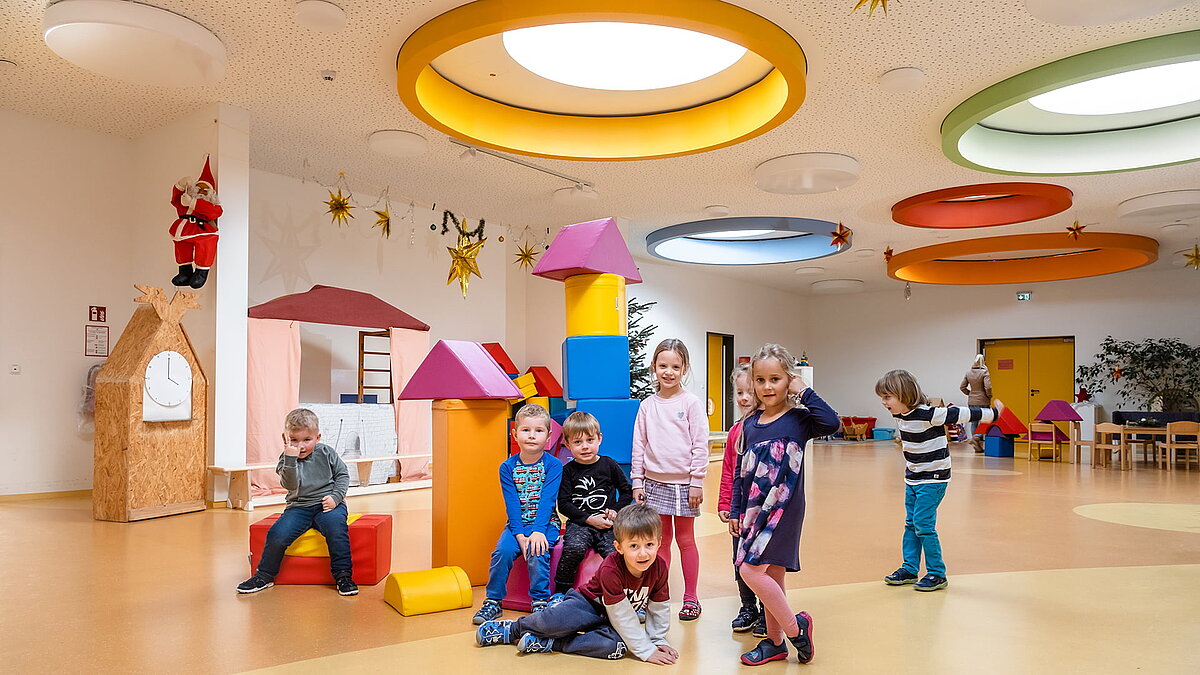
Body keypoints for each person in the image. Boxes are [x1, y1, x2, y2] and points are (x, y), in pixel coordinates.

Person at [728, 344, 839, 666]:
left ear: (788, 380)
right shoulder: (750, 423)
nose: (767, 387)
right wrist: (736, 509)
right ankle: (775, 643)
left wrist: (802, 389)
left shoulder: (799, 420)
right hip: (752, 509)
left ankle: (795, 627)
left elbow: (831, 423)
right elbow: (740, 473)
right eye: (760, 380)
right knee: (772, 573)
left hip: (784, 509)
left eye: (775, 379)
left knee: (749, 569)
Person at [475, 503, 677, 664]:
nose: (643, 553)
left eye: (649, 545)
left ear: (659, 542)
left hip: (611, 619)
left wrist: (657, 640)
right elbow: (621, 614)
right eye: (634, 546)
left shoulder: (659, 567)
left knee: (616, 648)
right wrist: (646, 650)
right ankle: (513, 630)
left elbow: (658, 608)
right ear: (619, 547)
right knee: (553, 622)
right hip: (588, 605)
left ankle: (551, 644)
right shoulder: (611, 567)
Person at [876, 369, 1003, 592]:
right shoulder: (899, 415)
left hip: (934, 478)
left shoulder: (929, 414)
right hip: (913, 477)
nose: (884, 403)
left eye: (887, 397)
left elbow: (961, 414)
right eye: (882, 398)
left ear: (903, 394)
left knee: (924, 525)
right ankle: (909, 569)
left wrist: (993, 414)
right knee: (910, 524)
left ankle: (936, 573)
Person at [236, 408, 357, 596]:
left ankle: (343, 575)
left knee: (336, 530)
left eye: (307, 440)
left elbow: (342, 475)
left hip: (327, 504)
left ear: (317, 437)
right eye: (294, 440)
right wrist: (290, 460)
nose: (300, 446)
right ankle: (265, 575)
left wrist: (335, 497)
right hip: (299, 507)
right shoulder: (286, 459)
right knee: (277, 534)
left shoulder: (326, 452)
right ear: (285, 438)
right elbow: (290, 485)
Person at [631, 338, 709, 621]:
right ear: (654, 367)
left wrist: (696, 480)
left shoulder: (690, 403)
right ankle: (657, 594)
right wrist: (637, 481)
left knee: (686, 540)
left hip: (685, 485)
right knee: (659, 542)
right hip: (654, 484)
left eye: (675, 366)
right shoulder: (647, 405)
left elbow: (700, 444)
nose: (668, 372)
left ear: (684, 368)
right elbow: (639, 444)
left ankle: (691, 598)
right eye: (663, 365)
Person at [472, 403, 563, 624]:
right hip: (516, 526)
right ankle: (493, 601)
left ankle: (539, 601)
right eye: (526, 430)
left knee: (537, 550)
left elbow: (547, 501)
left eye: (539, 431)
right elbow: (511, 504)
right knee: (501, 552)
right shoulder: (507, 467)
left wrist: (538, 531)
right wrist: (520, 534)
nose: (532, 436)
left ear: (548, 436)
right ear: (515, 433)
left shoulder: (554, 465)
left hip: (546, 523)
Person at [554, 411, 633, 595]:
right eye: (577, 442)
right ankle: (560, 592)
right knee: (573, 548)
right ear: (567, 444)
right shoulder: (567, 471)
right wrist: (588, 519)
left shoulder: (609, 464)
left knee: (617, 554)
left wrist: (615, 510)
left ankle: (626, 593)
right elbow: (564, 504)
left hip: (608, 523)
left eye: (590, 440)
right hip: (580, 524)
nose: (585, 447)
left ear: (599, 438)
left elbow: (626, 491)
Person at [717, 364, 765, 638]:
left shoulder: (767, 425)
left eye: (750, 392)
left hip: (763, 508)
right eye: (739, 392)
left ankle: (764, 605)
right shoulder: (736, 430)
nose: (745, 398)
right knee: (739, 558)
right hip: (739, 509)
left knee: (760, 560)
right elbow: (728, 469)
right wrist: (725, 504)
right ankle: (748, 607)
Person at [168, 162, 222, 290]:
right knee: (181, 247)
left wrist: (193, 203)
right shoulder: (184, 202)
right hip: (183, 229)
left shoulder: (209, 204)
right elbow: (175, 200)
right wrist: (180, 186)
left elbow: (216, 212)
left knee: (205, 244)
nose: (201, 192)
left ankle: (201, 272)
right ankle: (185, 272)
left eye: (205, 190)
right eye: (198, 188)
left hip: (201, 229)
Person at [959, 355, 993, 452]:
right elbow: (988, 387)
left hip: (972, 400)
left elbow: (962, 387)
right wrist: (989, 395)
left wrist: (970, 394)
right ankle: (977, 436)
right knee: (985, 420)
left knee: (974, 421)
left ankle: (975, 441)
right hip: (983, 400)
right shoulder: (984, 372)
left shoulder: (968, 373)